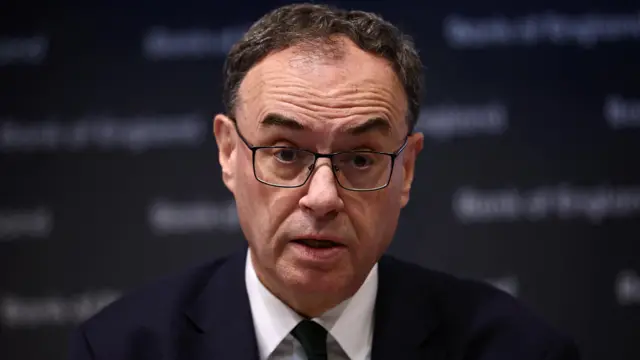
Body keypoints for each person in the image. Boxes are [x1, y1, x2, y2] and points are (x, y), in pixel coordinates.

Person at [69, 3, 580, 360]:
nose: (322, 197)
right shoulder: (121, 349)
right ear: (228, 153)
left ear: (406, 169)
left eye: (360, 159)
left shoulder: (517, 349)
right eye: (286, 154)